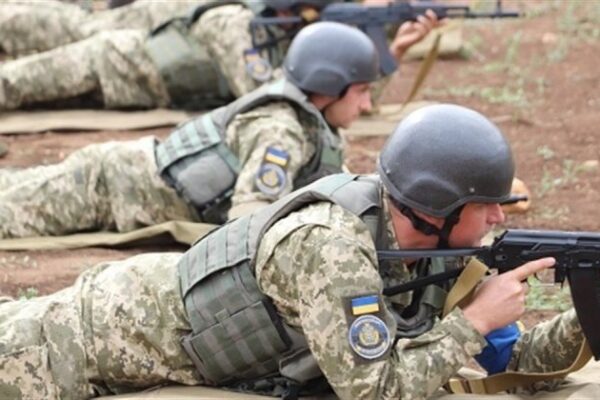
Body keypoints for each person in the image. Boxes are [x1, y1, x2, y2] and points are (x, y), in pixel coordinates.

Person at [0, 103, 588, 399]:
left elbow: (514, 365)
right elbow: (372, 391)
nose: (498, 218)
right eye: (486, 205)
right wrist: (472, 322)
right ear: (437, 209)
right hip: (84, 340)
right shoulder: (331, 249)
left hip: (154, 344)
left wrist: (586, 310)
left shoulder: (438, 252)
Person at [0, 21, 380, 239]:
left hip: (122, 177)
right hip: (106, 190)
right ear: (330, 85)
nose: (367, 106)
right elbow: (248, 223)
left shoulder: (314, 125)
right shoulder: (279, 131)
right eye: (362, 91)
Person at [0, 0, 438, 110]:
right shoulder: (236, 25)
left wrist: (394, 50)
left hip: (125, 83)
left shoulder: (281, 30)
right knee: (13, 77)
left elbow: (341, 97)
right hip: (107, 61)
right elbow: (281, 97)